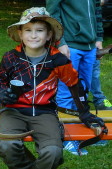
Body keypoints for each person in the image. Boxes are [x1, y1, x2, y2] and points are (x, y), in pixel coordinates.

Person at [0, 7, 106, 169]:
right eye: (28, 30)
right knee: (6, 146)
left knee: (53, 152)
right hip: (13, 112)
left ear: (49, 35)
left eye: (40, 30)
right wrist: (1, 92)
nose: (33, 35)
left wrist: (84, 112)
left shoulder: (57, 59)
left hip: (44, 113)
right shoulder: (11, 57)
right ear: (20, 33)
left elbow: (75, 85)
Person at [46, 0, 111, 155]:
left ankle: (81, 134)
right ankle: (66, 137)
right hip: (70, 46)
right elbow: (52, 14)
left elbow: (96, 12)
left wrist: (98, 38)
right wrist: (60, 42)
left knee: (83, 92)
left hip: (90, 46)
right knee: (67, 92)